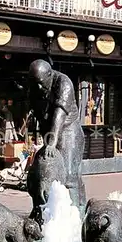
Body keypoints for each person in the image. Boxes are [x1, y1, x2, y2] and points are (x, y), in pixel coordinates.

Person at [28, 59, 86, 211]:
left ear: (50, 74)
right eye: (35, 83)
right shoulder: (34, 87)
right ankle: (48, 213)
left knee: (69, 175)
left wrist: (51, 143)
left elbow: (59, 116)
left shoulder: (64, 83)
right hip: (50, 130)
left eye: (41, 82)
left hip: (68, 130)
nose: (39, 87)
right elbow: (40, 117)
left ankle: (76, 215)